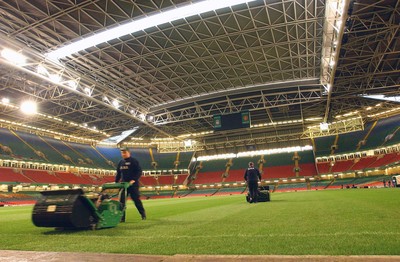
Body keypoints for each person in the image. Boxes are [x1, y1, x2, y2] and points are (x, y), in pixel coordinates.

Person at [115, 147, 146, 221]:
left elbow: (139, 171)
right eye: (122, 153)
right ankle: (122, 218)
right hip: (123, 185)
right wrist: (116, 182)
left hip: (133, 185)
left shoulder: (134, 161)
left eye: (125, 152)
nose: (123, 154)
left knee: (136, 200)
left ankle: (143, 214)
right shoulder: (120, 162)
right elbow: (118, 173)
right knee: (122, 202)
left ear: (129, 152)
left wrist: (133, 180)